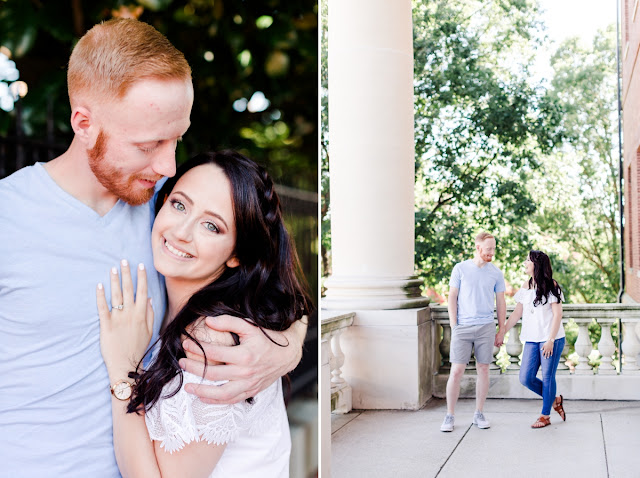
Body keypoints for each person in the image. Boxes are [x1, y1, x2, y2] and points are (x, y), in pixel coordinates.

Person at [0, 19, 306, 477]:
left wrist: (287, 347)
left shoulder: (166, 207)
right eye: (149, 144)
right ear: (84, 124)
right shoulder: (8, 217)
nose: (167, 164)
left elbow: (260, 279)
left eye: (177, 138)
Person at [98, 151, 312, 477]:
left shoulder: (212, 339)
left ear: (237, 254)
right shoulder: (193, 312)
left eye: (211, 226)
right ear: (163, 200)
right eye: (179, 205)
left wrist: (122, 370)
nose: (182, 231)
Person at [440, 231, 506, 432]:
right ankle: (449, 416)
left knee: (483, 369)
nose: (492, 253)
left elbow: (501, 302)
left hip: (486, 327)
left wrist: (501, 330)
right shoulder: (460, 269)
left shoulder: (496, 273)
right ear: (478, 248)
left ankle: (479, 413)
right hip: (463, 327)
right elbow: (452, 297)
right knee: (456, 371)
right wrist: (454, 326)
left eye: (493, 249)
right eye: (488, 249)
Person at [503, 250, 566, 428]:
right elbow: (517, 314)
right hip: (532, 339)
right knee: (526, 378)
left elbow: (557, 315)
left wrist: (551, 340)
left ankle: (545, 416)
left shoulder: (552, 285)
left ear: (536, 265)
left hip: (550, 339)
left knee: (547, 377)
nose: (525, 263)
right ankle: (554, 399)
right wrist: (502, 332)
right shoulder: (526, 286)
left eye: (528, 260)